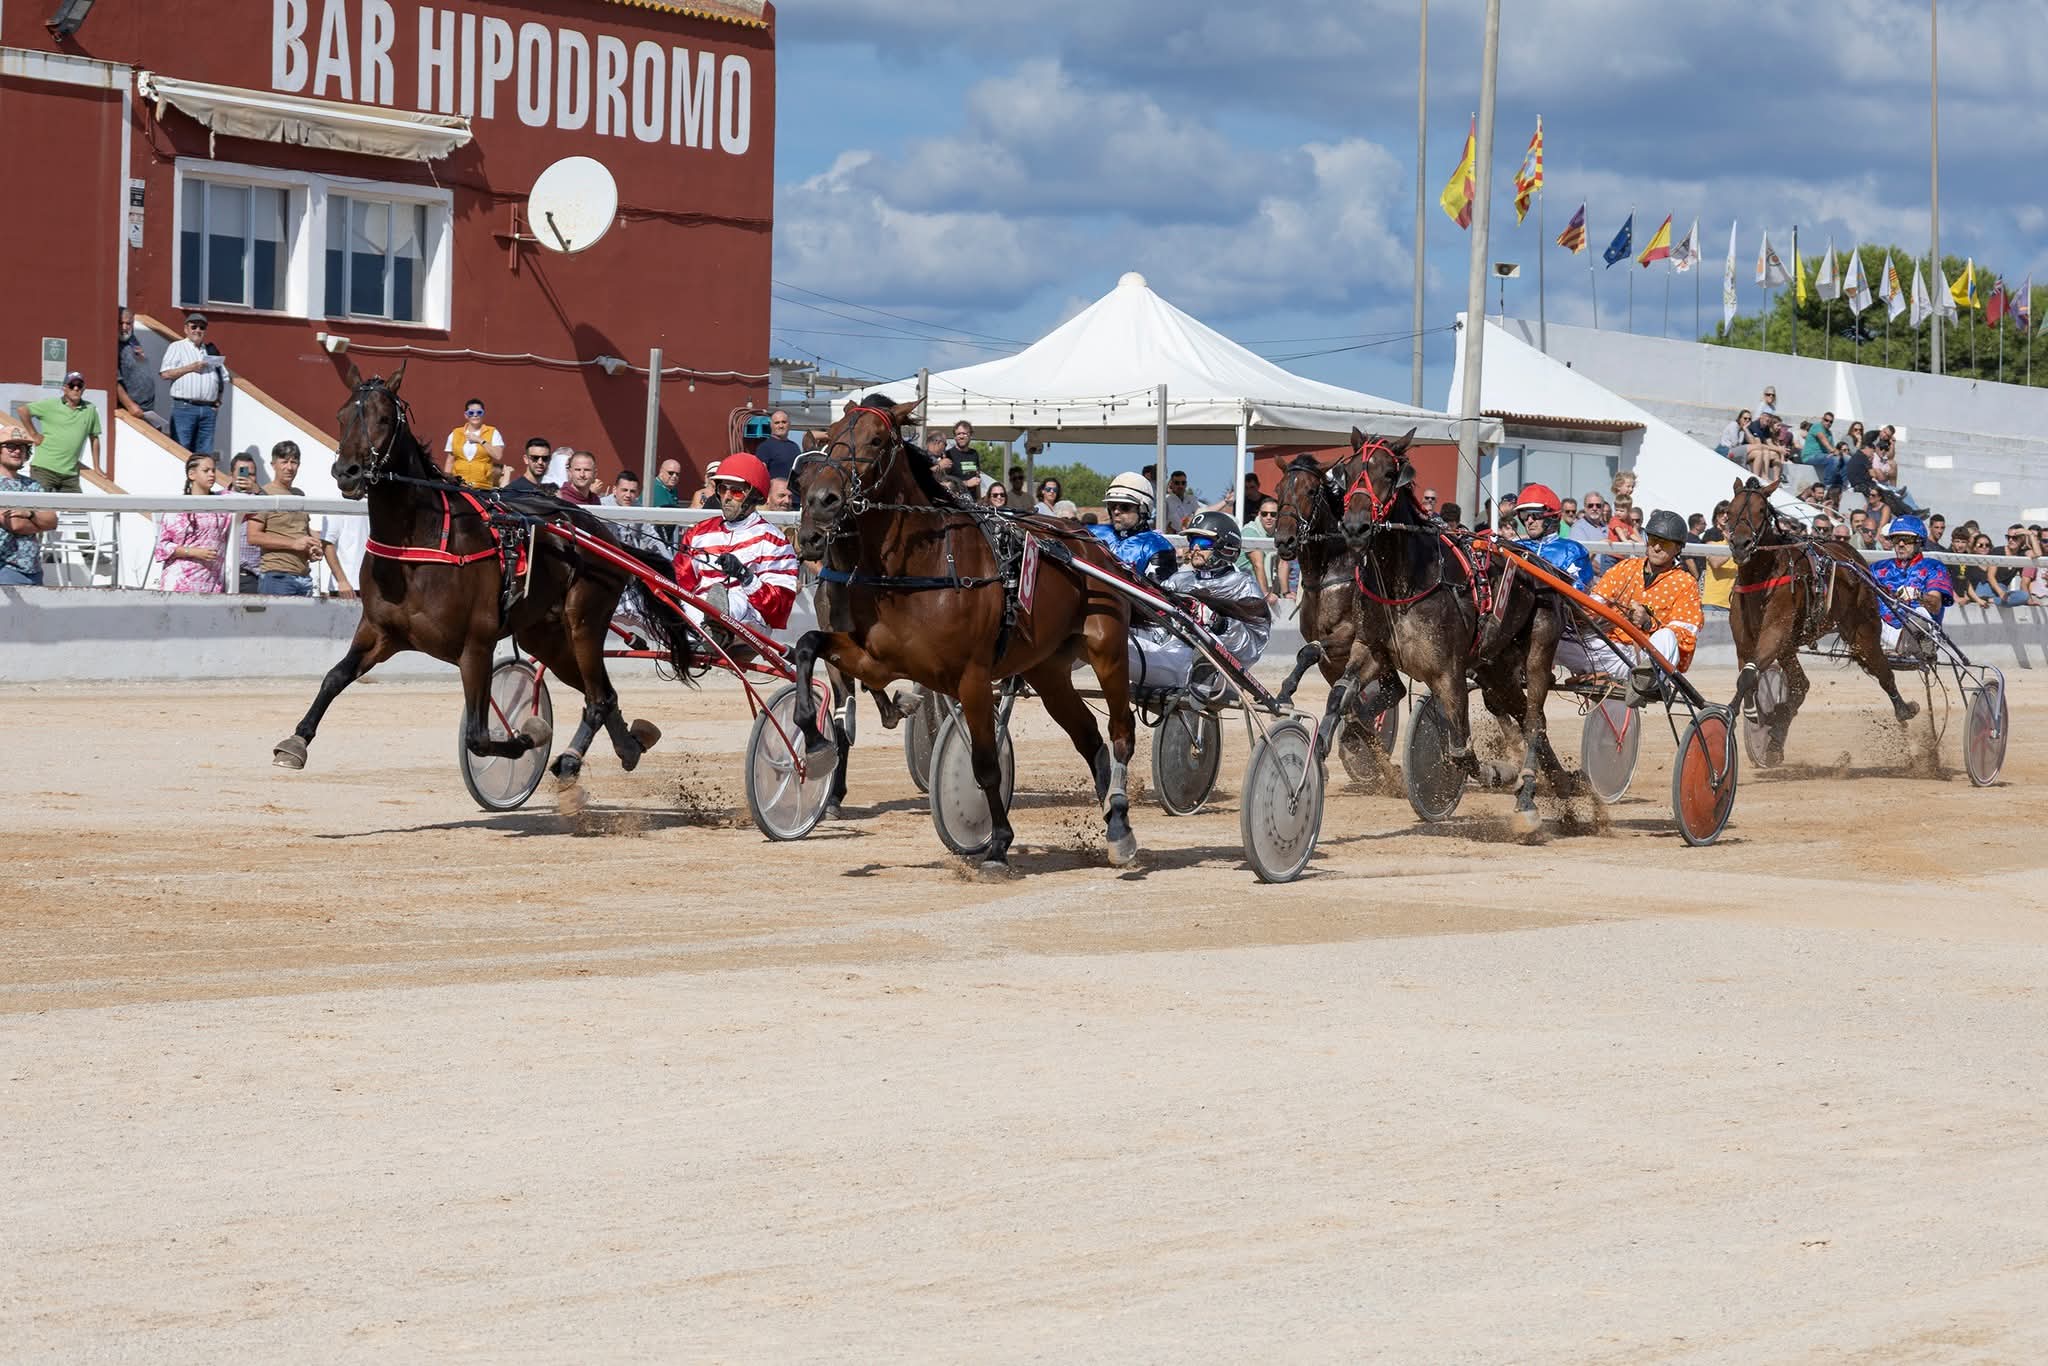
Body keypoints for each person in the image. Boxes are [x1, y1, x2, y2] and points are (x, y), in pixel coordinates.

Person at [1557, 509, 1702, 703]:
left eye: (1665, 543)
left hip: (1646, 659)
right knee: (1552, 634)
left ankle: (1644, 682)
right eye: (1652, 540)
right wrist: (1567, 607)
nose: (1657, 547)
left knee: (1666, 636)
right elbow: (1593, 606)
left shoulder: (1685, 583)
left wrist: (1649, 623)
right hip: (1611, 654)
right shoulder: (1624, 569)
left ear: (1678, 549)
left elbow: (1686, 635)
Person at [1129, 511, 1272, 697]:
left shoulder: (1243, 585)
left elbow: (1252, 648)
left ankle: (1203, 672)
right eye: (1192, 542)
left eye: (1203, 543)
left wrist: (1219, 623)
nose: (1195, 548)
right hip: (1172, 655)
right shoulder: (1177, 581)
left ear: (1226, 547)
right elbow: (1157, 630)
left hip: (1220, 669)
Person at [671, 452, 799, 632]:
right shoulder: (698, 533)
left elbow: (779, 609)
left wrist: (745, 576)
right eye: (723, 489)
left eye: (737, 492)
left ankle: (715, 624)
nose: (727, 497)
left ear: (754, 496)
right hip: (698, 611)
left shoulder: (774, 540)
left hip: (748, 619)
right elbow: (679, 583)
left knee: (734, 600)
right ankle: (706, 628)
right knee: (677, 605)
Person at [247, 441, 346, 597]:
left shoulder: (299, 494)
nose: (289, 467)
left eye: (294, 462)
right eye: (284, 461)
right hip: (277, 576)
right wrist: (293, 543)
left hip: (304, 577)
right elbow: (253, 536)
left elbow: (302, 532)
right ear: (273, 464)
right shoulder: (264, 494)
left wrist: (312, 549)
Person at [1870, 516, 1954, 659]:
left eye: (1907, 539)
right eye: (1896, 539)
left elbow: (1935, 606)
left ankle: (1924, 649)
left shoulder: (1933, 567)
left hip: (1919, 629)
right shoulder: (1877, 568)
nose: (1901, 544)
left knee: (1919, 615)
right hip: (1883, 631)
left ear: (1919, 542)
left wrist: (1917, 595)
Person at [152, 454, 232, 593]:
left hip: (212, 582)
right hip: (182, 581)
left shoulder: (223, 500)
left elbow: (251, 500)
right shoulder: (179, 508)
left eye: (213, 470)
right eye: (206, 471)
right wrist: (195, 552)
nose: (212, 474)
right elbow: (162, 546)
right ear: (192, 474)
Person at [13, 372, 103, 492]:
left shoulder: (90, 409)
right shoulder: (50, 404)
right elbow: (22, 410)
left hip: (70, 474)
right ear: (65, 388)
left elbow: (94, 438)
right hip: (44, 469)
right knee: (41, 508)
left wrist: (97, 467)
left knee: (74, 508)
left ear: (83, 388)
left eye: (79, 385)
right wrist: (34, 435)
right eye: (72, 385)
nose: (76, 388)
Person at [1088, 471, 1177, 582]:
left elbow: (1159, 596)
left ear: (1143, 509)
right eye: (1112, 505)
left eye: (1125, 507)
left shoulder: (1157, 546)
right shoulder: (1091, 533)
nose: (1116, 511)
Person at [159, 313, 226, 453]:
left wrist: (218, 400)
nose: (198, 330)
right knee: (181, 449)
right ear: (186, 329)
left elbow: (222, 376)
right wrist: (191, 367)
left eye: (201, 327)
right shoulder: (176, 347)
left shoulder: (211, 350)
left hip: (208, 409)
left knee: (205, 453)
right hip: (185, 407)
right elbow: (165, 374)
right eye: (194, 326)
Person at [1507, 484, 1594, 591]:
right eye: (1524, 515)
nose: (1529, 521)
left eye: (1535, 514)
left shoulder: (1573, 551)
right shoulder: (1515, 547)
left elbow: (1579, 596)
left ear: (1552, 517)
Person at [0, 423, 56, 585]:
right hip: (5, 569)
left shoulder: (32, 485)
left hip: (33, 570)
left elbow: (52, 521)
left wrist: (29, 514)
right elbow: (15, 524)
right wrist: (39, 521)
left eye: (22, 447)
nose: (17, 451)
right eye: (10, 446)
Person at [115, 308, 169, 434]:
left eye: (128, 323)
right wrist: (130, 405)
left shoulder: (132, 340)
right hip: (133, 409)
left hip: (147, 409)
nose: (124, 327)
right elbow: (114, 380)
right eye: (120, 323)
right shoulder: (114, 345)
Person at [222, 452, 266, 592]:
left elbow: (276, 516)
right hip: (221, 573)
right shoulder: (218, 498)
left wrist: (258, 492)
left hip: (251, 575)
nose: (247, 478)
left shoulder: (263, 500)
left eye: (251, 474)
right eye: (242, 473)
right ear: (231, 475)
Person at [442, 398, 506, 489]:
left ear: (483, 414)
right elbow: (450, 461)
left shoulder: (493, 432)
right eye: (471, 413)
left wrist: (480, 440)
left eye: (479, 412)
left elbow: (498, 455)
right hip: (459, 485)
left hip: (482, 485)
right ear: (466, 415)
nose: (475, 415)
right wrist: (447, 480)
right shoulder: (455, 433)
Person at [753, 409, 802, 485]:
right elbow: (759, 476)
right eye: (777, 423)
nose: (781, 426)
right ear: (771, 425)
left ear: (789, 424)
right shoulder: (765, 448)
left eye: (784, 422)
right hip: (775, 494)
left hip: (794, 495)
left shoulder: (795, 447)